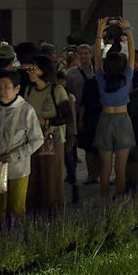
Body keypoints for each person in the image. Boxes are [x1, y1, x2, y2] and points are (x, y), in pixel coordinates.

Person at [0, 71, 43, 219]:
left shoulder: (26, 110)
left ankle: (16, 238)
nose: (2, 90)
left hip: (18, 168)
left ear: (17, 89)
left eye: (6, 86)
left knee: (16, 207)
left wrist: (16, 155)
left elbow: (37, 139)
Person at [93, 17, 136, 198]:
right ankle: (119, 206)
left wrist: (99, 32)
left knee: (105, 169)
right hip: (123, 122)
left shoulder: (100, 78)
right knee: (121, 170)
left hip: (105, 121)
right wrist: (128, 30)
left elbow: (96, 55)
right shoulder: (126, 78)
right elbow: (133, 54)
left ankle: (103, 205)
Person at [24, 55, 73, 212]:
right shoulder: (29, 90)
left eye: (34, 68)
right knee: (34, 177)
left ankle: (53, 212)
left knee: (51, 178)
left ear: (44, 71)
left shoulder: (56, 90)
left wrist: (46, 122)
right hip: (31, 140)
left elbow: (67, 117)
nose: (30, 72)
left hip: (51, 140)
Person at [66, 44, 101, 185]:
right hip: (76, 111)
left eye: (87, 53)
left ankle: (94, 174)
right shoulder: (71, 73)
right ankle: (72, 173)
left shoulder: (97, 72)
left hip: (94, 112)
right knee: (76, 144)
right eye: (81, 54)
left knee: (94, 145)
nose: (84, 56)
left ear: (91, 55)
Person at [56, 70, 79, 203]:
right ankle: (72, 182)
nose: (60, 84)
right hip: (60, 131)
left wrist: (74, 131)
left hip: (68, 131)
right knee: (67, 157)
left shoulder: (69, 96)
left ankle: (73, 182)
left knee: (68, 157)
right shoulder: (60, 94)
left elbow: (72, 116)